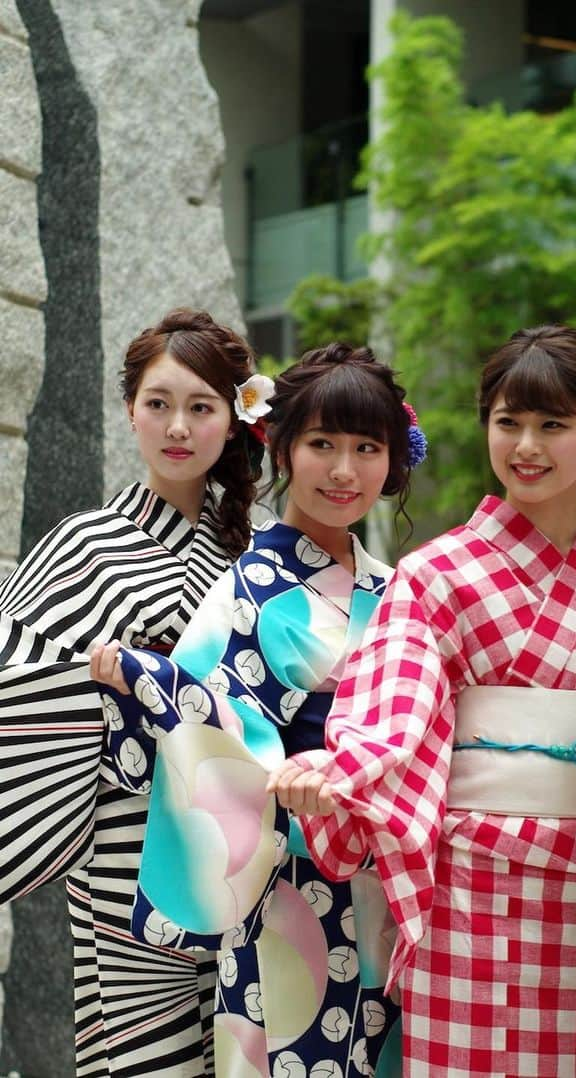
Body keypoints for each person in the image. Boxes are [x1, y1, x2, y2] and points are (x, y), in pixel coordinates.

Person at [269, 324, 576, 1076]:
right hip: (468, 896)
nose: (526, 444)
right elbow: (397, 711)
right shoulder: (436, 575)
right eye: (508, 421)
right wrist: (343, 770)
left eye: (552, 424)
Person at [89, 342, 416, 1077]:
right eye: (322, 444)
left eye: (367, 447)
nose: (343, 470)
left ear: (393, 460)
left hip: (388, 879)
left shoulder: (400, 589)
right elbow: (219, 734)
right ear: (282, 448)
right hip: (291, 889)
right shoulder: (249, 587)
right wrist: (150, 680)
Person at [0, 308, 263, 1076]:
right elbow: (13, 680)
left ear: (233, 419)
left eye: (201, 407)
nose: (177, 427)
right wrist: (114, 690)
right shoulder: (85, 542)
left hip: (252, 858)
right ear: (129, 411)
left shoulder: (259, 545)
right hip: (126, 865)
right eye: (158, 404)